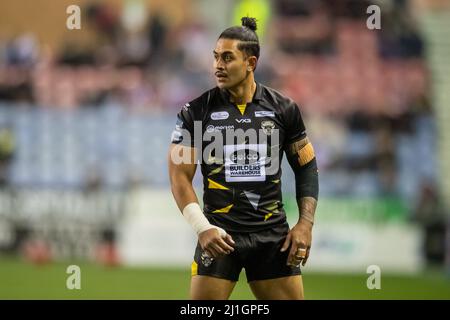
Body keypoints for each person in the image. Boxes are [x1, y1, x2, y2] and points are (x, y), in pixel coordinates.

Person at [168, 17, 318, 300]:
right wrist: (202, 228)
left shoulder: (285, 109)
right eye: (215, 57)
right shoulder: (194, 112)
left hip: (273, 238)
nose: (218, 66)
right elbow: (178, 176)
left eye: (227, 58)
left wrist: (305, 224)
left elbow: (307, 167)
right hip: (218, 237)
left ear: (251, 63)